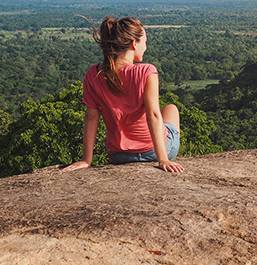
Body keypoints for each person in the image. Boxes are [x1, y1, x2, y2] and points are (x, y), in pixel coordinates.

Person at [62, 16, 184, 173]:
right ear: (134, 44)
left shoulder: (94, 74)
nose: (145, 47)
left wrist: (87, 160)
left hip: (119, 155)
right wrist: (163, 160)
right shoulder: (146, 72)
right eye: (144, 42)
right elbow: (152, 115)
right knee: (171, 109)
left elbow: (91, 117)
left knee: (164, 111)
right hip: (152, 152)